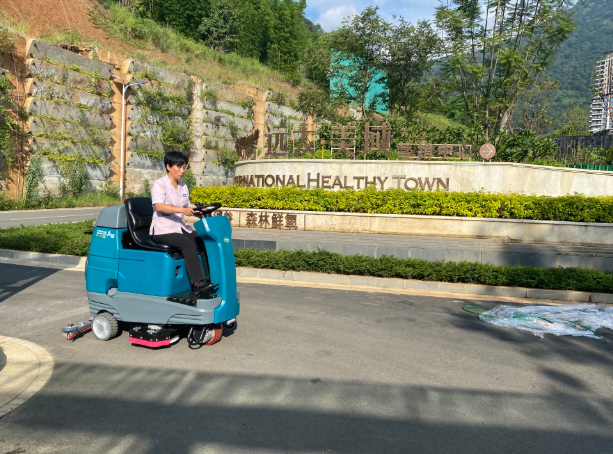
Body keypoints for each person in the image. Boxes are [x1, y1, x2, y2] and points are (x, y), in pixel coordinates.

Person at [150, 151, 210, 294]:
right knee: (188, 244)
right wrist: (182, 210)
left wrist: (197, 212)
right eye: (179, 167)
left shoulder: (183, 187)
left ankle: (208, 279)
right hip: (163, 229)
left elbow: (186, 207)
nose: (182, 171)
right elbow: (159, 206)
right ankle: (197, 283)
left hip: (179, 226)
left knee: (203, 242)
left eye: (184, 167)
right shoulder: (159, 184)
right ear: (168, 167)